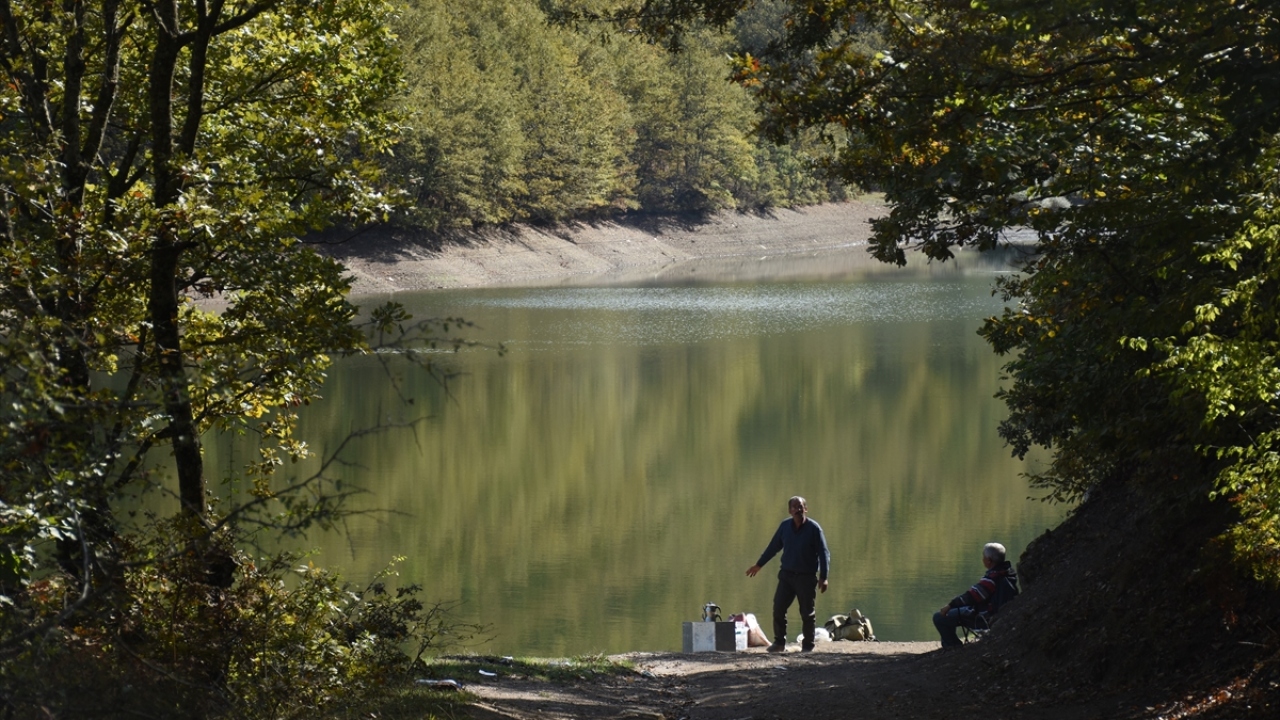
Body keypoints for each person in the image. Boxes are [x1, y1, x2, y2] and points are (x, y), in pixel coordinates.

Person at [745, 496, 831, 653]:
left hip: (806, 577)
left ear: (806, 509)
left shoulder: (814, 529)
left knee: (807, 612)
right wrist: (759, 565)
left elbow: (824, 554)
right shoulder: (785, 527)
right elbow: (773, 547)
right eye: (794, 507)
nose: (798, 510)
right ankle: (779, 642)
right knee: (778, 608)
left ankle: (808, 645)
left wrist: (823, 577)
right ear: (789, 510)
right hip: (787, 576)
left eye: (801, 507)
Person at [933, 542, 1020, 648]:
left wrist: (950, 605)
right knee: (953, 612)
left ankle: (953, 647)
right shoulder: (1008, 573)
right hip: (999, 613)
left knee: (939, 617)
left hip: (985, 616)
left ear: (989, 560)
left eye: (984, 557)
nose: (982, 559)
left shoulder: (992, 579)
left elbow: (972, 596)